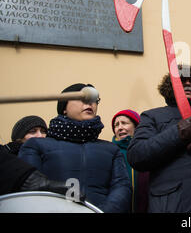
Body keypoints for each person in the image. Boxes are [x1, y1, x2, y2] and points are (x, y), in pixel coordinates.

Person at [19, 83, 131, 213]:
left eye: (93, 100)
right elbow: (28, 188)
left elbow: (122, 187)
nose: (89, 103)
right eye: (81, 97)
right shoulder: (36, 146)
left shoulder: (111, 150)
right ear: (64, 107)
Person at [127, 65, 191, 213]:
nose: (187, 84)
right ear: (171, 85)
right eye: (182, 80)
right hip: (169, 206)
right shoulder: (152, 116)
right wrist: (178, 133)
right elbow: (137, 155)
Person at [111, 109, 149, 213]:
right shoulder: (111, 152)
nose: (120, 128)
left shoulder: (146, 150)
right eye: (116, 125)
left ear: (136, 126)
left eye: (124, 123)